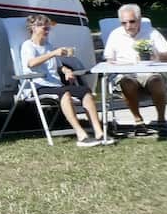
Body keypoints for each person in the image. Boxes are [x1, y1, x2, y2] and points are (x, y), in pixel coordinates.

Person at [20, 14, 115, 147]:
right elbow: (31, 63)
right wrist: (53, 53)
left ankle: (99, 132)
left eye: (48, 28)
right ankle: (81, 136)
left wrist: (66, 70)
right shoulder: (28, 46)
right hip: (38, 85)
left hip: (56, 85)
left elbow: (59, 66)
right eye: (44, 28)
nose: (47, 30)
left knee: (85, 91)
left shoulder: (48, 45)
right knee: (65, 94)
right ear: (33, 28)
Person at [102, 3, 167, 135]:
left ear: (139, 19)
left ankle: (161, 120)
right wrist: (114, 63)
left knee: (156, 80)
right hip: (125, 74)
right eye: (124, 23)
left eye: (132, 21)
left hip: (149, 72)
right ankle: (138, 121)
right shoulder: (115, 35)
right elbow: (109, 59)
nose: (128, 26)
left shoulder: (152, 33)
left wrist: (157, 55)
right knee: (127, 82)